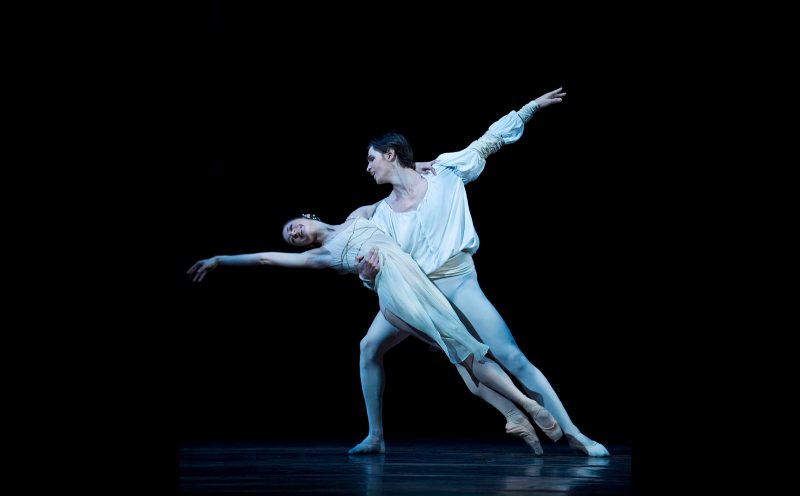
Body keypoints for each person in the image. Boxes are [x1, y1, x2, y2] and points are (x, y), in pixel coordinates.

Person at [352, 88, 610, 456]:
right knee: (368, 347)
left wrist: (529, 109)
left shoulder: (444, 172)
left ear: (391, 153)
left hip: (457, 281)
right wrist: (367, 274)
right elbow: (382, 268)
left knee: (512, 356)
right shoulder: (383, 213)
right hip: (417, 293)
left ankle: (573, 433)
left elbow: (488, 141)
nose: (368, 166)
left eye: (371, 158)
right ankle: (375, 437)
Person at [186, 210, 563, 455]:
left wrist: (428, 164)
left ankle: (516, 412)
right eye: (290, 237)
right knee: (407, 350)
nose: (293, 234)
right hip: (395, 296)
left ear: (308, 215)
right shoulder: (321, 256)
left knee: (451, 352)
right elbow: (267, 258)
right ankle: (378, 435)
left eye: (293, 226)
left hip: (417, 279)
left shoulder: (360, 214)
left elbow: (398, 190)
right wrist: (221, 260)